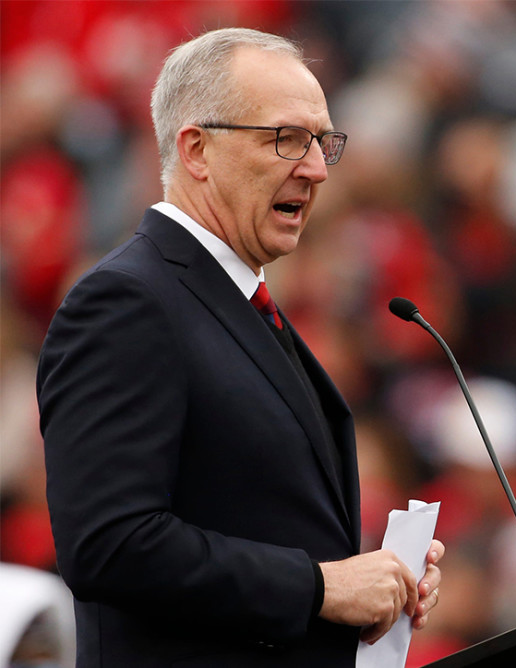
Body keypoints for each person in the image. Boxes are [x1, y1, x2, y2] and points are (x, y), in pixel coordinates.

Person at [36, 28, 443, 667]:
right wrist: (319, 588)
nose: (315, 168)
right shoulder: (127, 302)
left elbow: (260, 523)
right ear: (197, 150)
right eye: (287, 138)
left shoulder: (238, 301)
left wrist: (374, 582)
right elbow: (108, 544)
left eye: (322, 142)